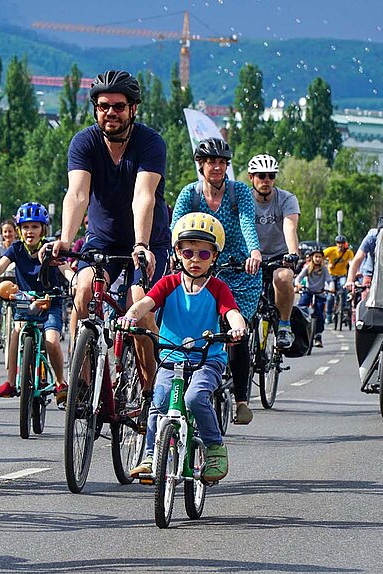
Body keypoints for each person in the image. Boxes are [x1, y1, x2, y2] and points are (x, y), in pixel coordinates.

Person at [45, 69, 172, 394]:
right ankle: (83, 382)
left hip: (148, 241)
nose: (110, 113)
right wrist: (64, 239)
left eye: (118, 106)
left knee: (138, 305)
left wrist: (142, 244)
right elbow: (77, 194)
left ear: (133, 109)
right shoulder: (85, 142)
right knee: (83, 290)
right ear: (95, 108)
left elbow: (143, 195)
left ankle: (150, 392)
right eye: (103, 106)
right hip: (101, 240)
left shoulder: (150, 142)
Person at [121, 212, 246, 482]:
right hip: (170, 356)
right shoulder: (168, 283)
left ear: (214, 256)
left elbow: (231, 312)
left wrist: (238, 326)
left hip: (207, 358)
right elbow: (146, 303)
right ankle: (152, 454)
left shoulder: (218, 288)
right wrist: (130, 315)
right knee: (160, 399)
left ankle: (214, 447)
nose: (195, 259)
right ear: (177, 253)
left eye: (203, 254)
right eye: (188, 252)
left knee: (194, 398)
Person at [172, 137, 261, 425]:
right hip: (199, 266)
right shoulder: (190, 194)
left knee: (237, 331)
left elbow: (248, 221)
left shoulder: (240, 193)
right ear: (201, 165)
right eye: (212, 162)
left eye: (222, 162)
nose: (217, 167)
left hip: (238, 268)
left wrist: (254, 251)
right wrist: (176, 252)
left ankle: (241, 400)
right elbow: (177, 226)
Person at [0, 202, 70, 405]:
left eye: (35, 226)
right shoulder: (16, 249)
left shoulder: (52, 248)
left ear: (43, 229)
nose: (29, 231)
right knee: (15, 334)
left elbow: (65, 270)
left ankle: (61, 382)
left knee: (51, 340)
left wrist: (76, 282)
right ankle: (10, 382)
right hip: (25, 301)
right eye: (25, 227)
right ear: (19, 230)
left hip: (50, 301)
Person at [248, 153, 300, 349]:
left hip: (280, 255)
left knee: (284, 278)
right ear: (251, 177)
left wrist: (292, 254)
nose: (267, 180)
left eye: (271, 175)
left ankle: (284, 326)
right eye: (261, 175)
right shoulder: (244, 199)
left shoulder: (286, 199)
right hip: (251, 256)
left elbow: (290, 227)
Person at [296, 248, 331, 347]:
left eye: (320, 257)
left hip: (320, 293)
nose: (318, 259)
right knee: (301, 307)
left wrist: (331, 287)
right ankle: (301, 329)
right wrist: (298, 284)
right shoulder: (308, 268)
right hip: (308, 291)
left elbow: (329, 280)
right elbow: (299, 277)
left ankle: (318, 335)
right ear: (312, 258)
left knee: (319, 314)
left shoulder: (324, 270)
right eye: (316, 256)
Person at [322, 235, 354, 323]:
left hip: (342, 275)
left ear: (345, 244)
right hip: (331, 276)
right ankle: (328, 315)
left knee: (344, 287)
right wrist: (326, 265)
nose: (340, 245)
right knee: (330, 297)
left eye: (342, 243)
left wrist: (355, 271)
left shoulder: (348, 252)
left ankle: (343, 309)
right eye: (339, 243)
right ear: (336, 244)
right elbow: (320, 256)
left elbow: (351, 263)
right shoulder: (331, 250)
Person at [347, 227, 379, 302]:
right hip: (371, 276)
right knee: (366, 306)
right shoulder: (374, 236)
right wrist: (350, 280)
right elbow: (357, 259)